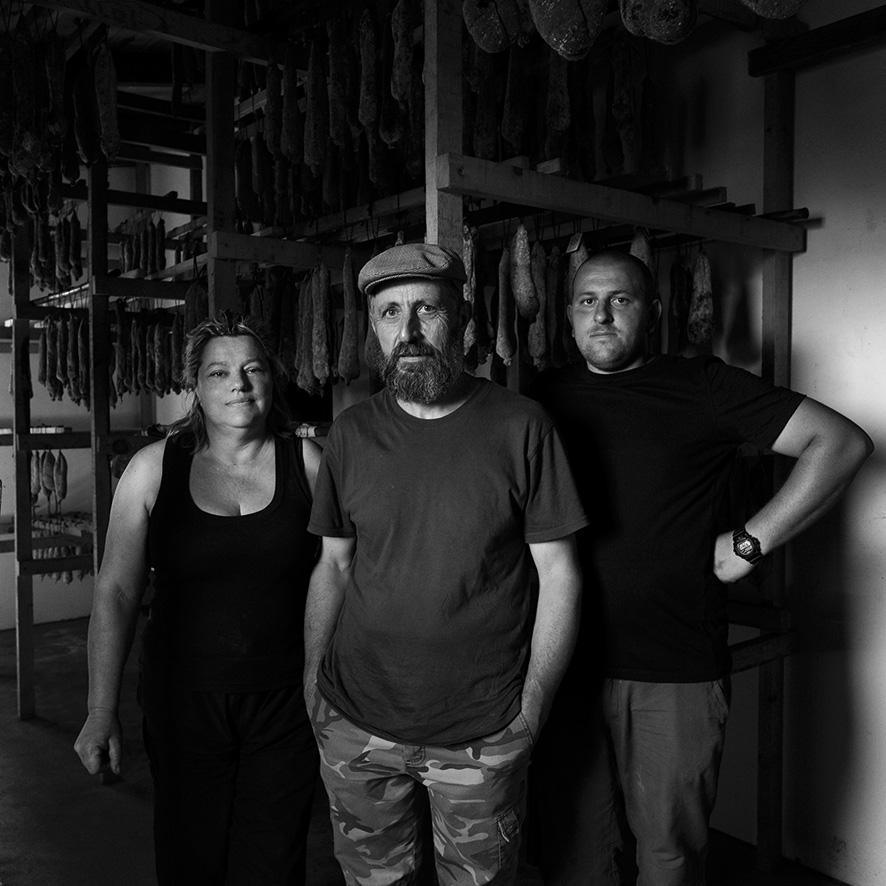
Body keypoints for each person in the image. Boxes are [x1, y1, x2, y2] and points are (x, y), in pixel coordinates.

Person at [531, 250, 874, 885]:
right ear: (569, 317)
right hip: (564, 664)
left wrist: (750, 542)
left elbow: (841, 442)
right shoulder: (541, 397)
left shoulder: (702, 387)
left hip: (675, 671)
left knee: (669, 859)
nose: (601, 315)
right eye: (587, 302)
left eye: (620, 300)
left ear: (654, 312)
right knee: (574, 859)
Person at [304, 242, 588, 885]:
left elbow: (560, 575)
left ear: (461, 320)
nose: (407, 331)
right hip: (356, 722)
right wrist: (312, 685)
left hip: (481, 729)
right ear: (373, 329)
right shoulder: (350, 433)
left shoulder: (522, 426)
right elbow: (333, 567)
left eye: (426, 310)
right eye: (389, 313)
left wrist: (532, 708)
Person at [74, 313, 323, 886]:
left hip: (285, 703)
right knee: (191, 861)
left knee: (274, 863)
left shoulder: (308, 464)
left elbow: (338, 574)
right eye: (219, 372)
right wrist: (100, 710)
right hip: (182, 700)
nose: (239, 384)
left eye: (253, 369)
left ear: (272, 379)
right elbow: (116, 591)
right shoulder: (152, 468)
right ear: (196, 386)